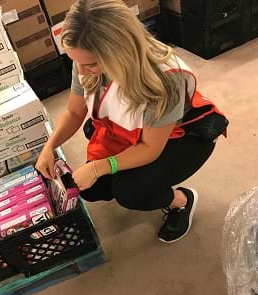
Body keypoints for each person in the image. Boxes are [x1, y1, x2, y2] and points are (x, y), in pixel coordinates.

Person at [36, 0, 227, 243]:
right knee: (93, 189)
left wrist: (98, 167)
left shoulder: (165, 79)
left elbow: (150, 148)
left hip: (182, 137)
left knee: (130, 191)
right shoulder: (84, 58)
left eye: (91, 64)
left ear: (121, 51)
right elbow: (75, 112)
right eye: (76, 62)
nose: (81, 72)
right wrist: (49, 147)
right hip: (132, 132)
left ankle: (181, 200)